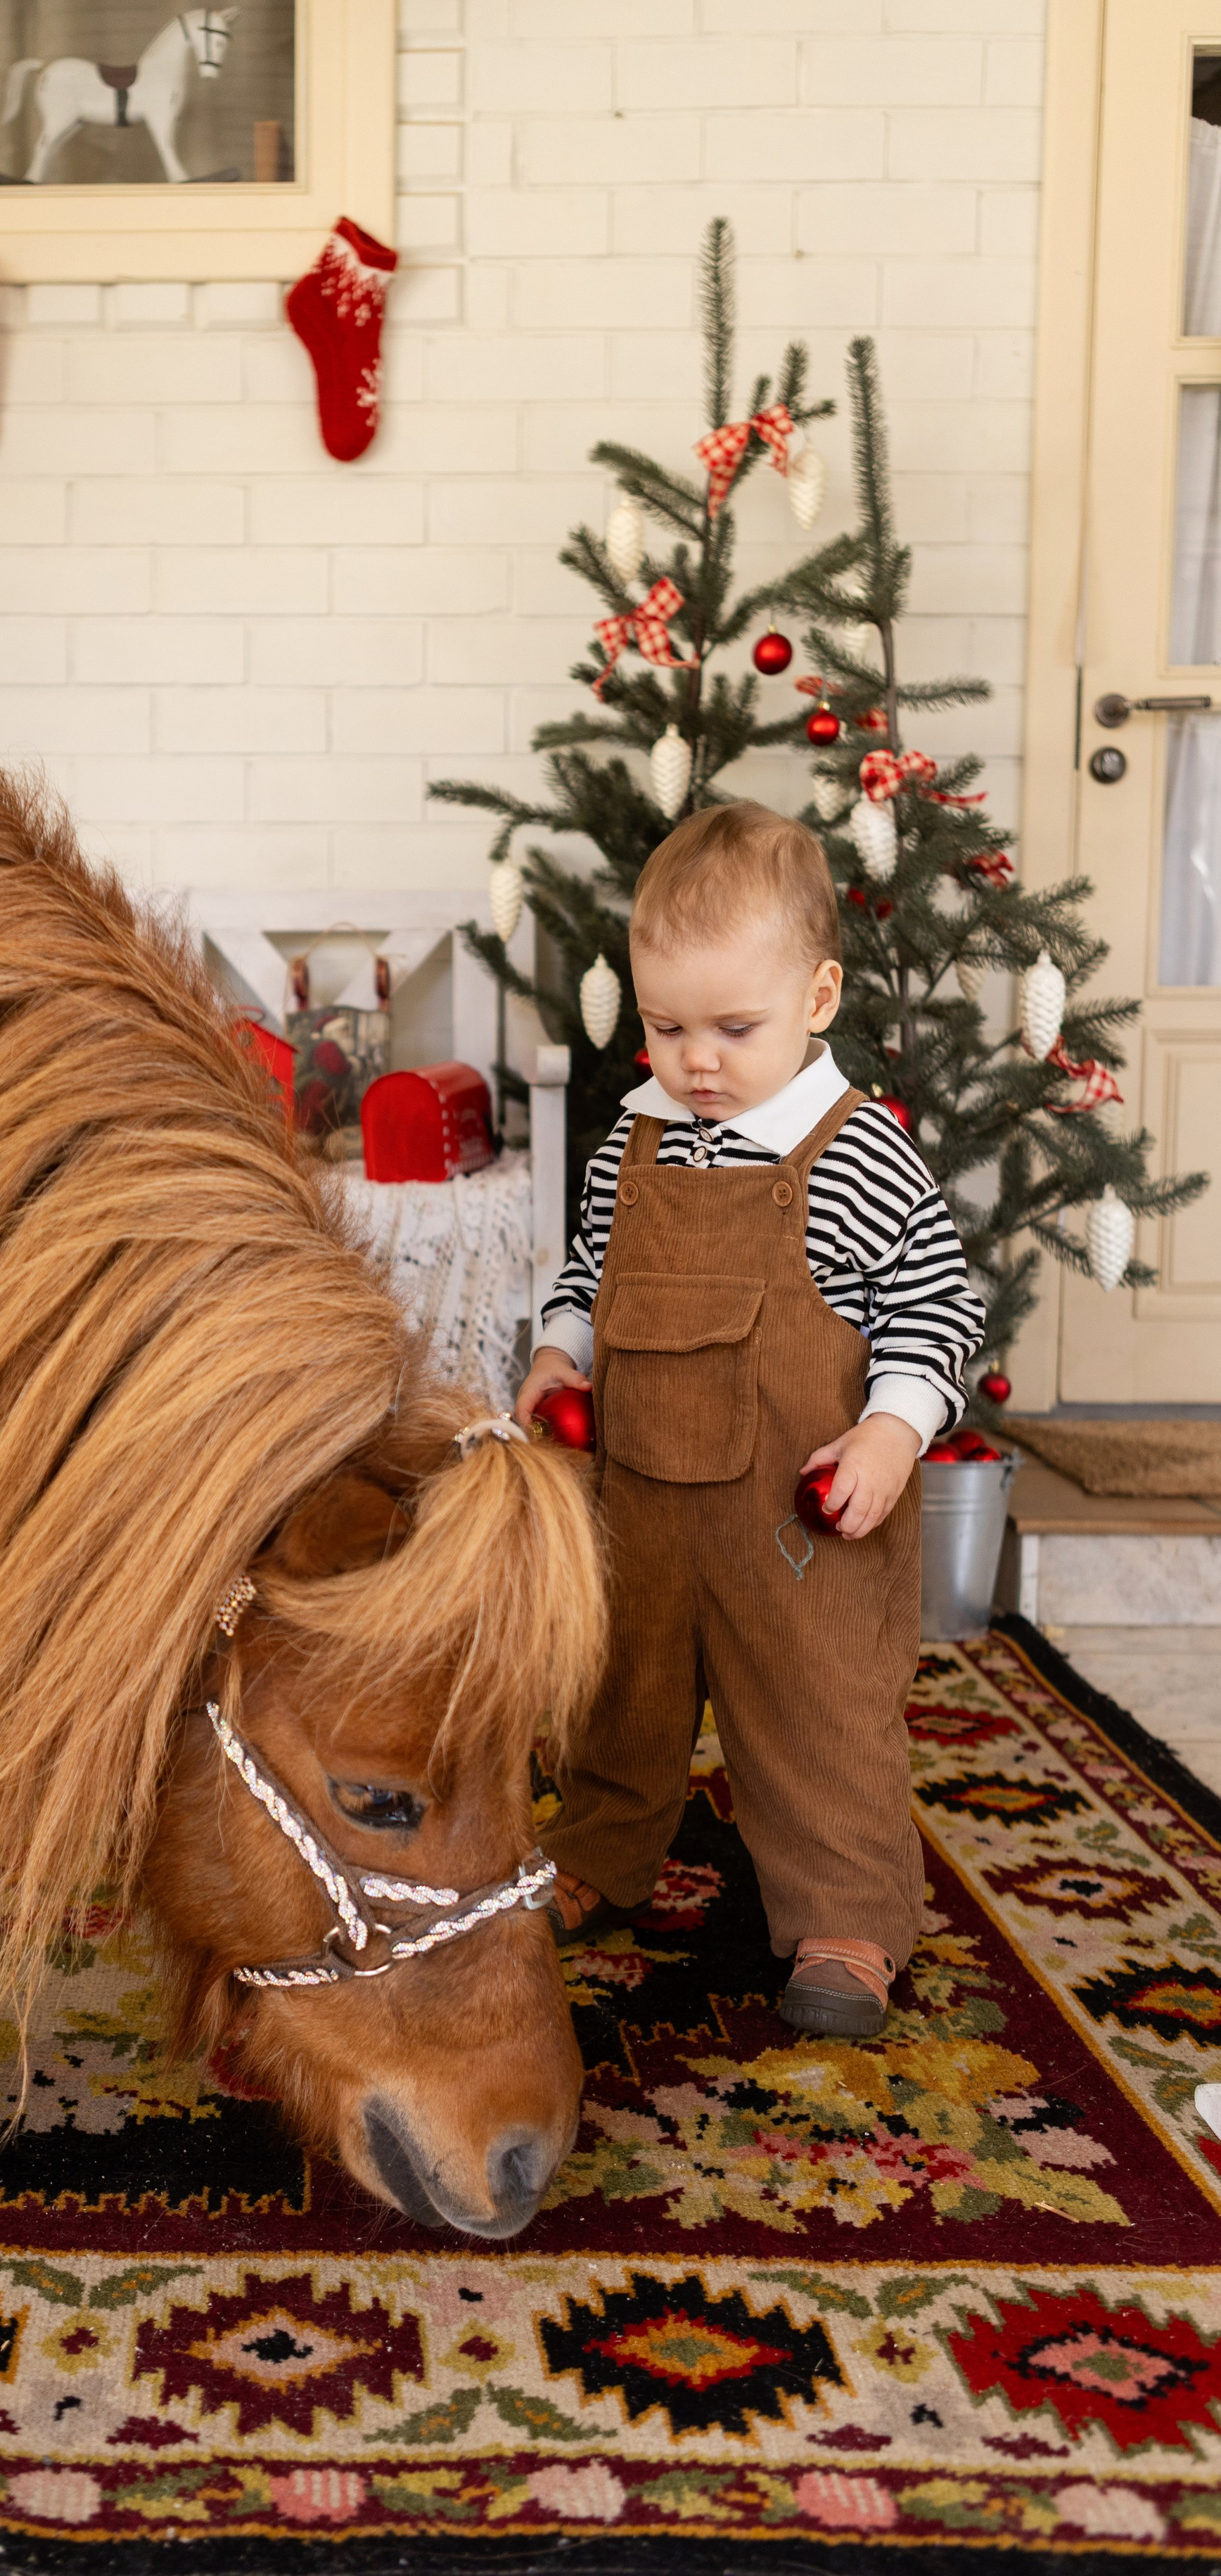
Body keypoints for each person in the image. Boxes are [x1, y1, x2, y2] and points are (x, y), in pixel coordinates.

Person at [515, 802, 983, 2037]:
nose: (696, 1060)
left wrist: (890, 1431)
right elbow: (586, 1275)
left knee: (820, 1716)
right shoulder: (635, 1134)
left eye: (734, 1028)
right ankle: (603, 1853)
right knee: (618, 1695)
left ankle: (846, 1918)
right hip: (643, 1511)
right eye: (667, 1028)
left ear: (819, 997)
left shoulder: (857, 1152)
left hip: (799, 1524)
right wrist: (560, 1351)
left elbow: (940, 1310)